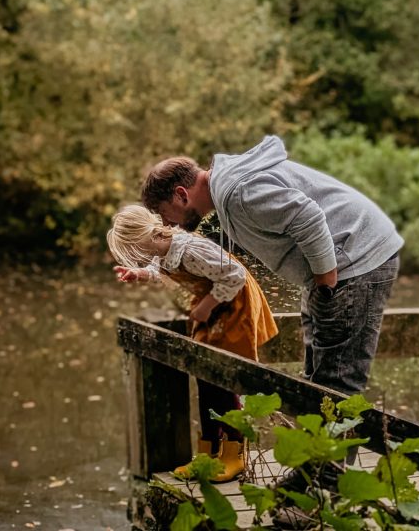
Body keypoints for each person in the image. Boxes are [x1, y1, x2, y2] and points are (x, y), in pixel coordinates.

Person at [141, 135, 403, 396]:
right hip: (343, 261)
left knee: (337, 386)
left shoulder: (239, 193)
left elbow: (308, 218)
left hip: (356, 258)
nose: (168, 225)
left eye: (164, 215)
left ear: (180, 195)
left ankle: (339, 436)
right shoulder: (227, 190)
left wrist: (325, 282)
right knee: (318, 380)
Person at [107, 204, 278, 482]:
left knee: (224, 379)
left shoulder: (189, 249)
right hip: (212, 307)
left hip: (232, 307)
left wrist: (207, 306)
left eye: (135, 249)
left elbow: (235, 274)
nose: (140, 256)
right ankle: (208, 452)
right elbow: (159, 264)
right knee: (204, 376)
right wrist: (141, 274)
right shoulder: (163, 248)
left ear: (145, 235)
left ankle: (234, 454)